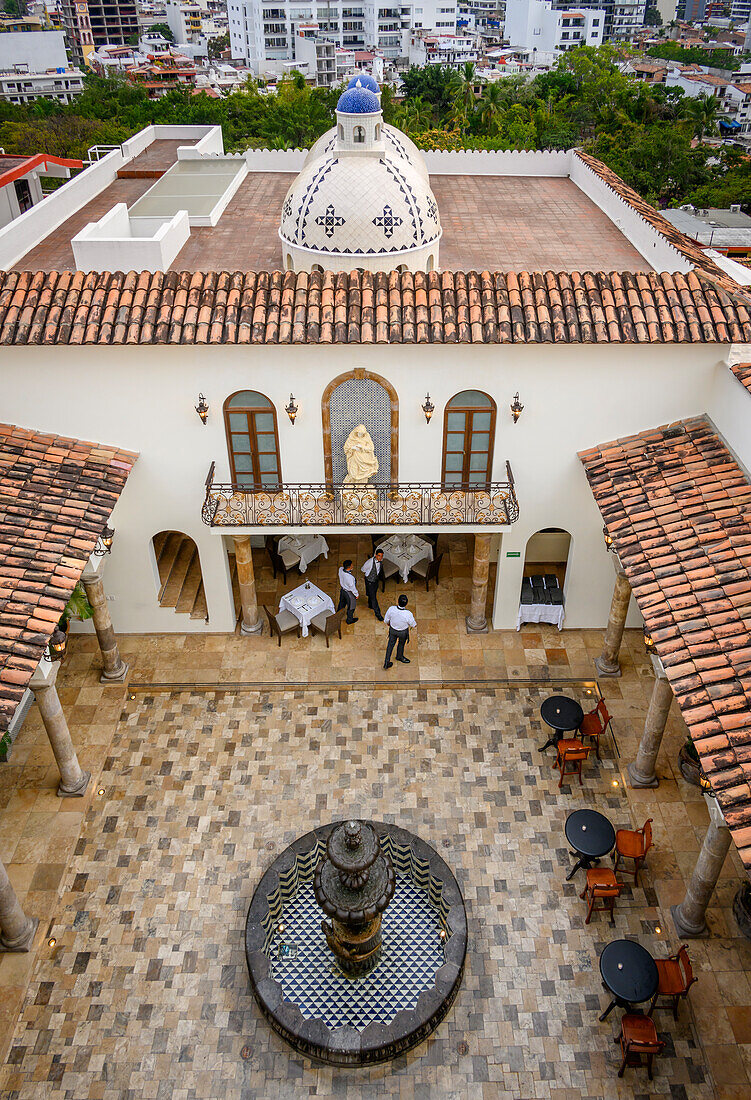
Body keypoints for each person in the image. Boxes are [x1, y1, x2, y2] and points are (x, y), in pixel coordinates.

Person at [383, 594, 416, 668]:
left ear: (398, 601)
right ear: (406, 603)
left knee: (390, 645)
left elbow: (386, 620)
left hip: (393, 630)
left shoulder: (391, 609)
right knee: (401, 644)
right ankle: (399, 656)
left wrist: (389, 624)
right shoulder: (408, 614)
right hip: (403, 632)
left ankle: (386, 662)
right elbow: (413, 624)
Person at [361, 548, 384, 621]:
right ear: (375, 555)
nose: (380, 558)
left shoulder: (380, 561)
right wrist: (368, 575)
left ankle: (370, 604)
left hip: (375, 580)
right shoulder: (369, 562)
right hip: (370, 582)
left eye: (381, 556)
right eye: (379, 556)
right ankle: (378, 614)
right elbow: (363, 569)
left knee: (372, 593)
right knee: (374, 598)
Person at [337, 559, 358, 624]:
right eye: (352, 565)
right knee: (351, 607)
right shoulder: (349, 578)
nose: (353, 566)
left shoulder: (340, 569)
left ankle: (337, 616)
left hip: (342, 590)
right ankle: (349, 620)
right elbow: (352, 588)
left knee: (341, 603)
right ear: (349, 567)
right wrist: (356, 594)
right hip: (348, 593)